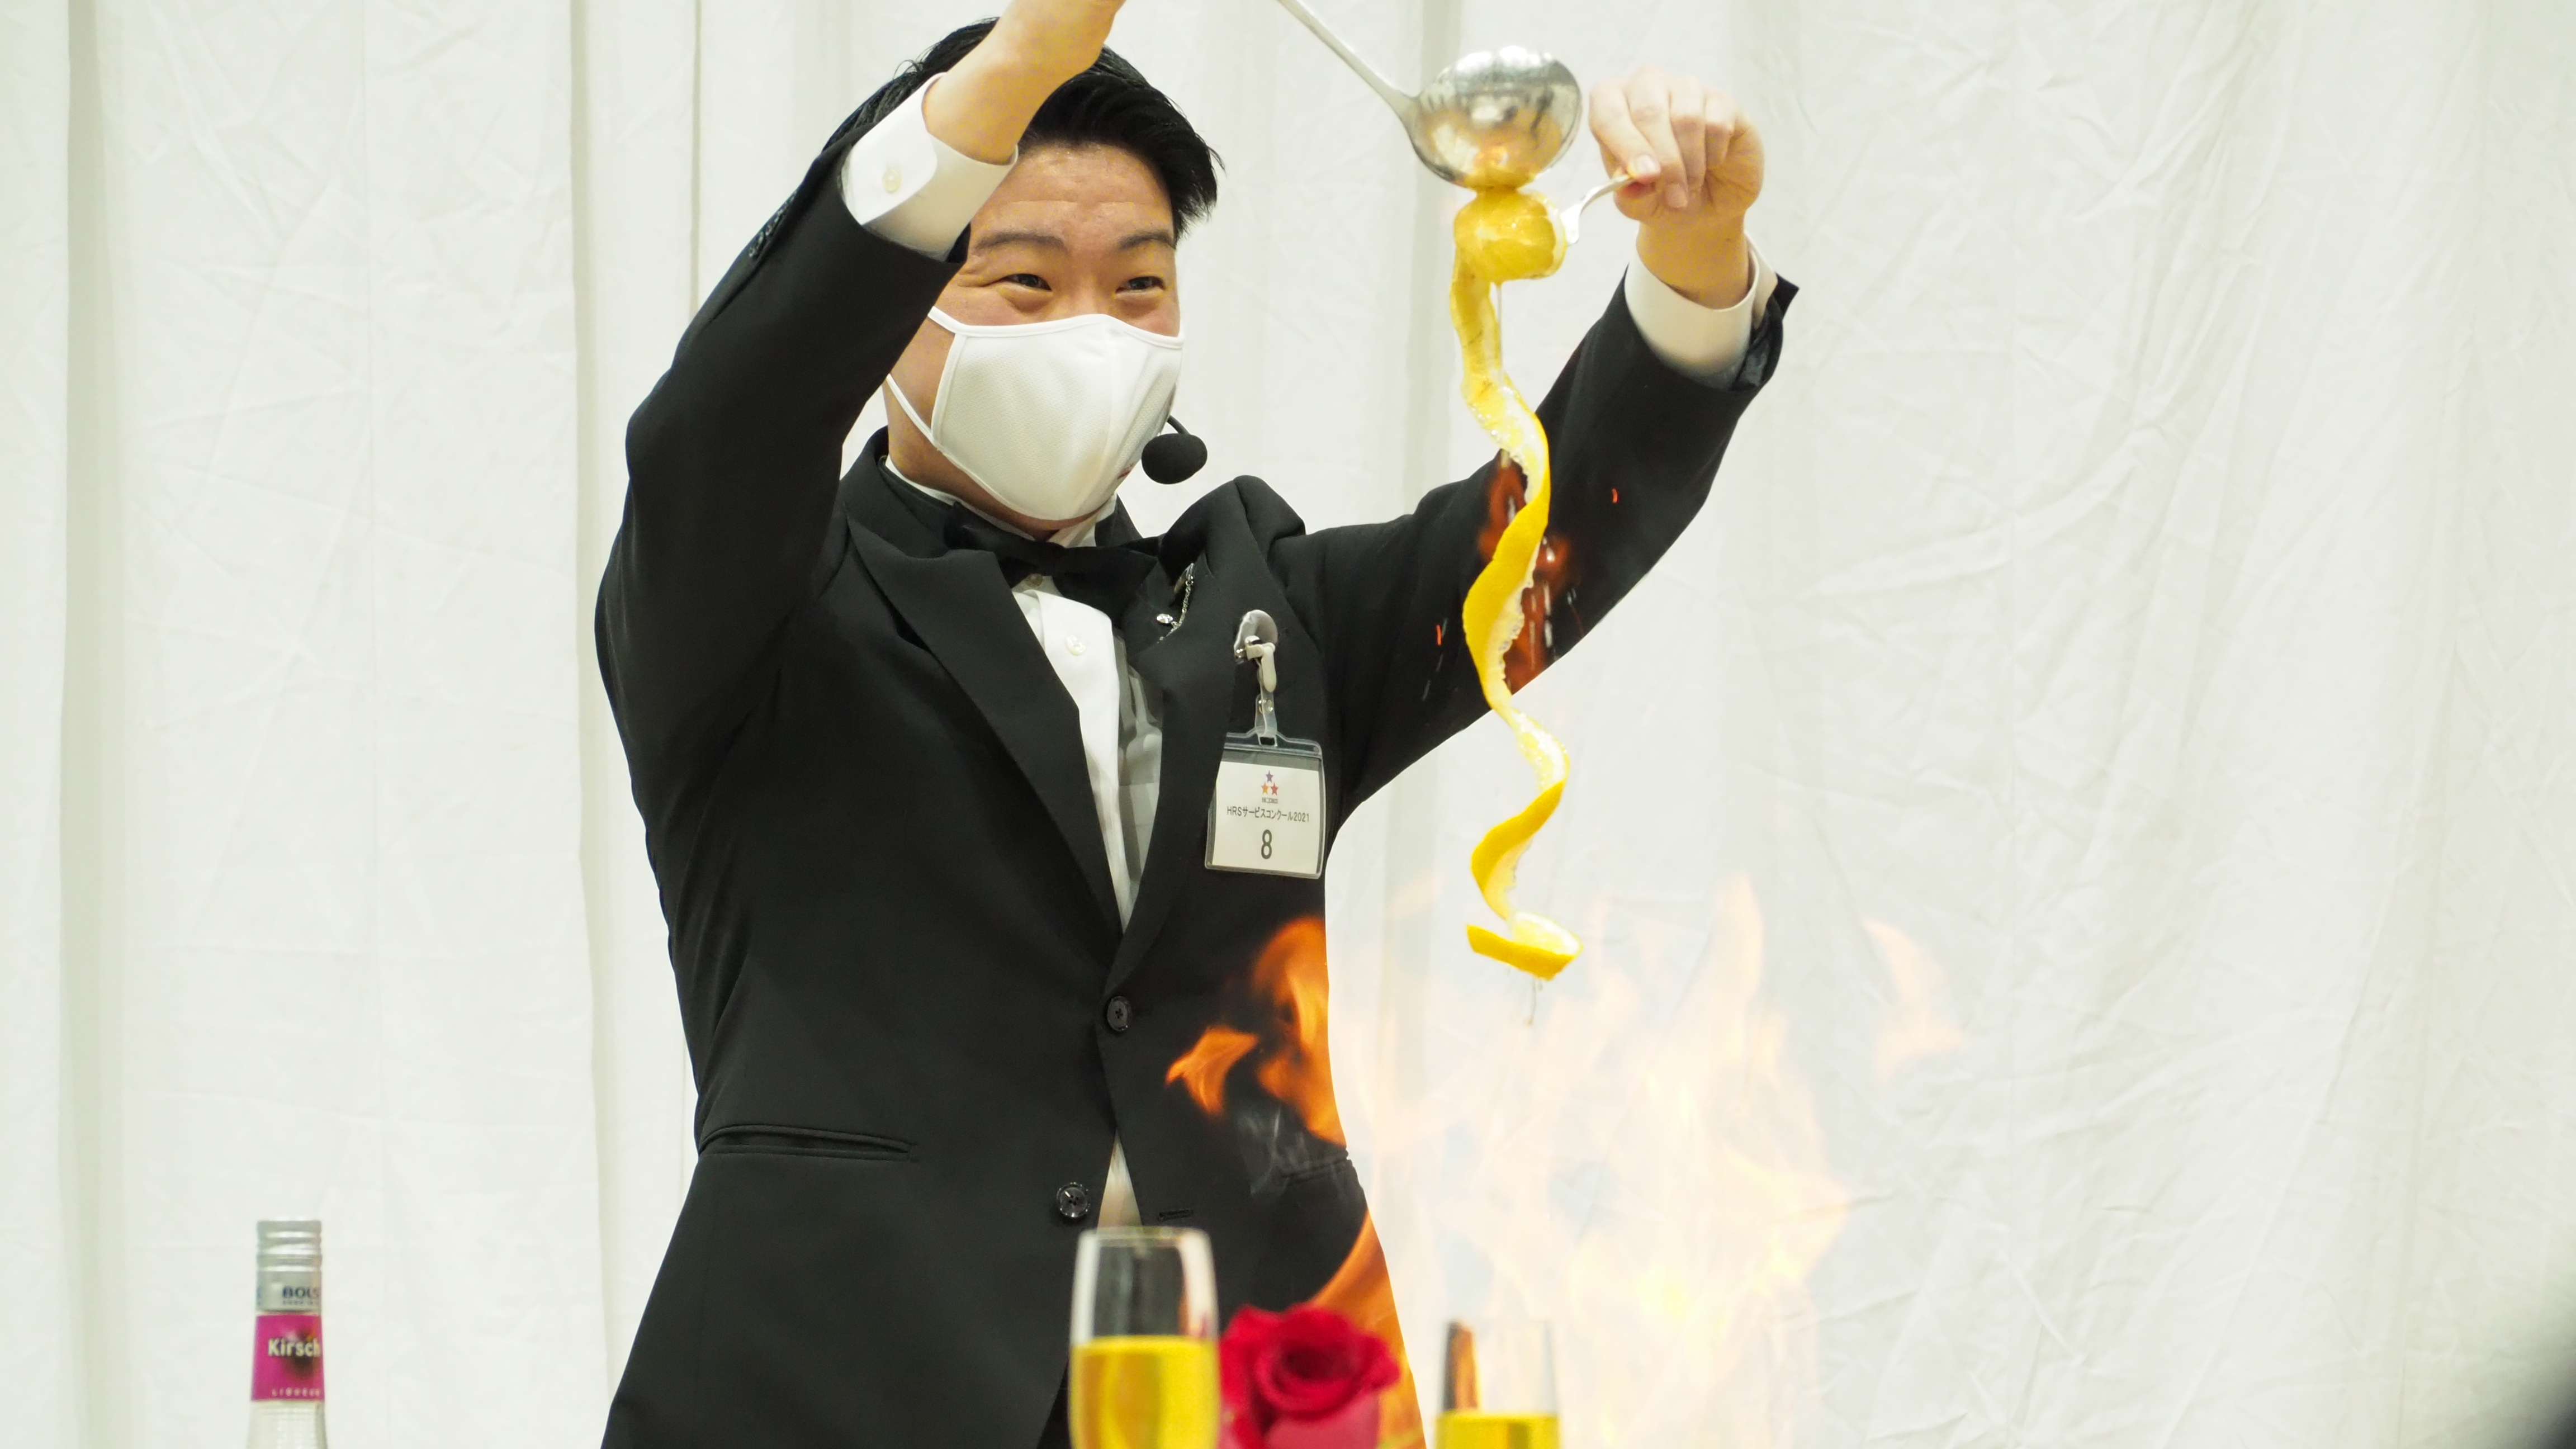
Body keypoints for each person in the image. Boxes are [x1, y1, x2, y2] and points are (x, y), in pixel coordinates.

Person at [594, 1, 1790, 1443]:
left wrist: (1694, 260)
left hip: (1262, 1389)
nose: (1090, 329)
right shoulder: (751, 604)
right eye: (1023, 281)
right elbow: (719, 424)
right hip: (842, 1385)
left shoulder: (1268, 614)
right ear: (892, 306)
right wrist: (1019, 65)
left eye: (1139, 284)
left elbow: (1548, 540)